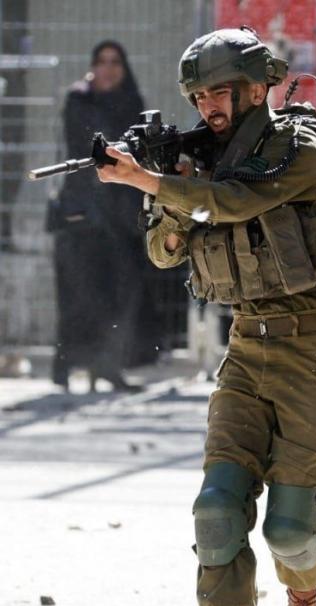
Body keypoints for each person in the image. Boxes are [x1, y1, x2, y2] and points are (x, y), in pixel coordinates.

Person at [96, 28, 316, 606]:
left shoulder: (300, 150)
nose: (207, 106)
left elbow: (240, 201)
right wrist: (168, 193)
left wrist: (157, 181)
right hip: (247, 348)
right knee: (217, 509)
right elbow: (163, 252)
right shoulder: (200, 164)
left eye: (218, 92)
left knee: (290, 530)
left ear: (255, 89)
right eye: (198, 96)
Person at [50, 40, 147, 392]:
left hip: (121, 216)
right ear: (92, 66)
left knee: (119, 293)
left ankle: (108, 366)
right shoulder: (79, 99)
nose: (108, 68)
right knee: (81, 293)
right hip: (84, 214)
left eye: (115, 62)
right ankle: (67, 366)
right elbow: (92, 146)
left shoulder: (132, 102)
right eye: (102, 61)